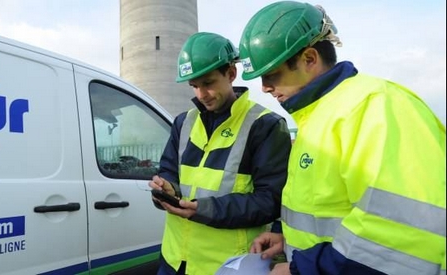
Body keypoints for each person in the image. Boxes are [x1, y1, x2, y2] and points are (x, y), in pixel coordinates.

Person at [238, 2, 446, 275]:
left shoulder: (376, 106)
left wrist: (299, 269)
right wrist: (285, 236)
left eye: (272, 75)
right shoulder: (318, 116)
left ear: (310, 59)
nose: (264, 88)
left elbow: (396, 235)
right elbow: (325, 206)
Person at [149, 31, 292, 275]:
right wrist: (167, 189)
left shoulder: (265, 125)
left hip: (227, 266)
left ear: (231, 73)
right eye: (194, 86)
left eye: (208, 83)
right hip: (174, 260)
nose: (201, 95)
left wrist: (203, 209)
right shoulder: (183, 123)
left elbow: (271, 202)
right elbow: (169, 171)